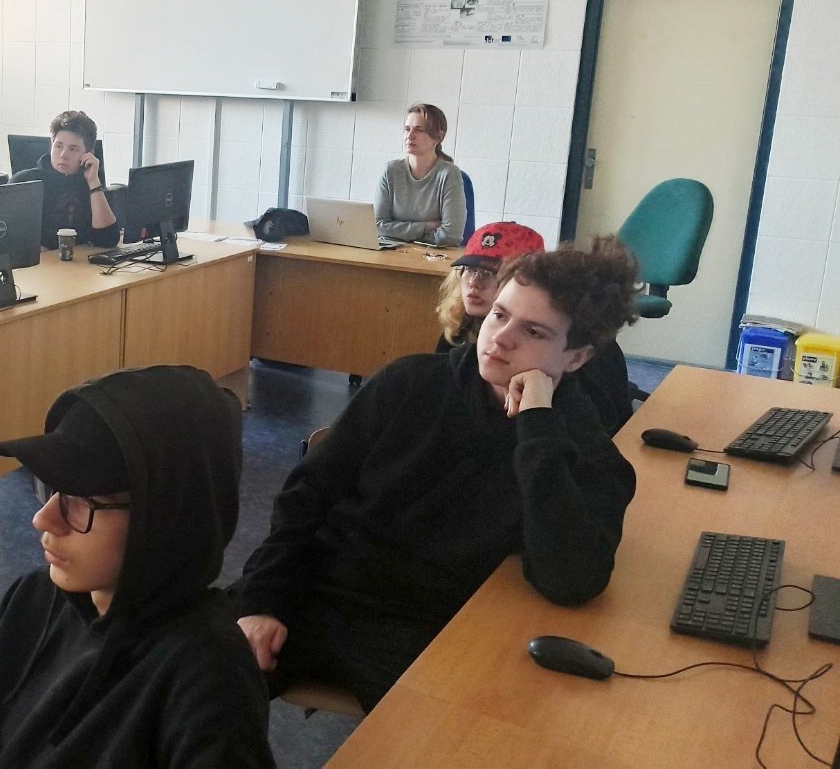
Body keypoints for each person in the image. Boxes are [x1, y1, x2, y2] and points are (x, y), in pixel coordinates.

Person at [230, 236, 640, 712]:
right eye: (500, 314)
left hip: (427, 629)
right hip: (313, 588)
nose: (501, 337)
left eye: (534, 332)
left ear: (577, 357)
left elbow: (570, 581)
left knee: (462, 735)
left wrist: (537, 430)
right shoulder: (410, 382)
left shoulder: (586, 451)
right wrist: (262, 600)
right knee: (185, 674)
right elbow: (306, 497)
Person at [0, 366, 275, 767]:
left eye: (81, 501)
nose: (43, 519)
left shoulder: (213, 679)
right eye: (51, 489)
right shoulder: (32, 600)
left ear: (166, 517)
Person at [437, 221, 635, 435]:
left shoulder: (590, 366)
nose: (474, 283)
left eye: (489, 273)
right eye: (470, 270)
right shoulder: (458, 332)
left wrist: (538, 417)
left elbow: (611, 433)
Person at [9, 110, 119, 250]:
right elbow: (5, 238)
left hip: (79, 262)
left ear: (88, 154)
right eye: (58, 146)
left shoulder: (89, 183)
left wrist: (94, 183)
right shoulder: (24, 181)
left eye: (73, 149)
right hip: (40, 263)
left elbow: (108, 240)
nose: (63, 155)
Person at [375, 103, 466, 246]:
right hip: (391, 252)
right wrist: (426, 227)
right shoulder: (390, 171)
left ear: (438, 137)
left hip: (432, 256)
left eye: (419, 130)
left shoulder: (449, 174)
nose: (410, 136)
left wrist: (399, 233)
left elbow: (451, 235)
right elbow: (377, 226)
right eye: (407, 129)